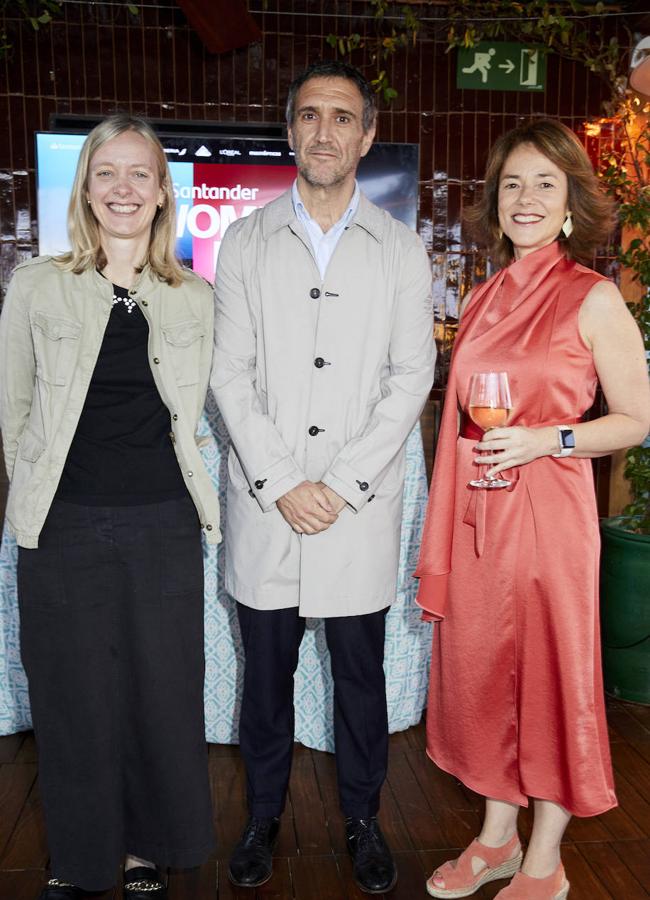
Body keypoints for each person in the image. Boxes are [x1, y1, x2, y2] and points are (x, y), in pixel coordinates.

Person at [210, 60, 435, 893]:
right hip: (270, 509)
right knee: (263, 683)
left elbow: (411, 379)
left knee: (358, 680)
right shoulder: (245, 240)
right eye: (310, 116)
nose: (325, 131)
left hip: (354, 511)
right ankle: (263, 816)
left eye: (343, 117)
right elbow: (226, 374)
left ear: (366, 135)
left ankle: (364, 818)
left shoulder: (402, 249)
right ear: (291, 130)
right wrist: (279, 481)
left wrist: (337, 484)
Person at [415, 119, 650, 900]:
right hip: (481, 517)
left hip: (550, 517)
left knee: (547, 674)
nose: (525, 198)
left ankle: (544, 858)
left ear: (571, 204)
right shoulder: (481, 297)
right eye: (512, 183)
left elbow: (635, 419)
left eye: (544, 183)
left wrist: (546, 439)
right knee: (483, 672)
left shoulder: (595, 296)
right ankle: (496, 837)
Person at [0, 114, 220, 900]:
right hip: (63, 525)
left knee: (160, 692)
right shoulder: (36, 284)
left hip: (163, 521)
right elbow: (15, 413)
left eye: (140, 174)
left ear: (163, 193)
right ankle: (82, 855)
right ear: (86, 189)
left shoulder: (194, 297)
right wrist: (33, 508)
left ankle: (144, 849)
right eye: (107, 174)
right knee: (71, 693)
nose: (123, 189)